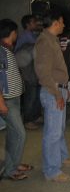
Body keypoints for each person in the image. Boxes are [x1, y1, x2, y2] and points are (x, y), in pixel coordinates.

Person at [34, 10, 70, 183]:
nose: (64, 25)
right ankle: (51, 170)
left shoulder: (52, 39)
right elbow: (43, 73)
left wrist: (64, 88)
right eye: (62, 22)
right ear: (55, 23)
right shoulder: (44, 42)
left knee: (58, 129)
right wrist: (56, 93)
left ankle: (62, 157)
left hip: (59, 89)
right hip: (52, 91)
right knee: (52, 133)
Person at [0, 19, 33, 180]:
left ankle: (14, 163)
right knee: (20, 134)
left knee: (13, 135)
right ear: (11, 33)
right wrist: (0, 102)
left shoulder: (7, 49)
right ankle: (10, 170)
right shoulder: (1, 51)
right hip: (7, 100)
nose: (17, 34)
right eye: (15, 32)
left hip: (13, 99)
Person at [15, 14, 42, 130]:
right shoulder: (26, 36)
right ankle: (28, 120)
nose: (35, 24)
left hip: (33, 68)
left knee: (35, 94)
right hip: (27, 69)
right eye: (33, 22)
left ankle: (35, 116)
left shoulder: (31, 35)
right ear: (27, 24)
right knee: (31, 95)